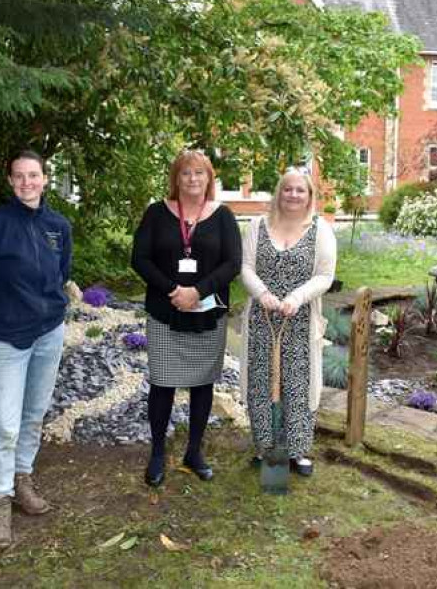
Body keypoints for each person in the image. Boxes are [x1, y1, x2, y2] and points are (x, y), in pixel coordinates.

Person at [0, 150, 72, 549]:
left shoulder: (58, 226)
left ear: (44, 179)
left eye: (34, 175)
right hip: (8, 339)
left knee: (33, 414)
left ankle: (22, 478)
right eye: (19, 176)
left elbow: (62, 274)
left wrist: (53, 312)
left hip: (48, 334)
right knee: (4, 423)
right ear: (10, 181)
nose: (27, 182)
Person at [130, 150, 241, 487]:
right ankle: (158, 452)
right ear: (175, 179)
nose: (193, 179)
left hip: (207, 314)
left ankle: (194, 451)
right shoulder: (156, 213)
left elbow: (233, 263)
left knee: (202, 383)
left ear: (209, 179)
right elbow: (140, 259)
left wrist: (198, 292)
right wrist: (173, 291)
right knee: (162, 383)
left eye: (199, 173)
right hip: (166, 312)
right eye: (185, 174)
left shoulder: (223, 216)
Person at [239, 169, 336, 477]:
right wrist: (262, 293)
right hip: (262, 320)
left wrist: (297, 297)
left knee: (297, 384)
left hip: (299, 321)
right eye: (287, 189)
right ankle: (266, 449)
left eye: (300, 190)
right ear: (279, 193)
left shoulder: (321, 230)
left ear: (309, 196)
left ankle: (296, 451)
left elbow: (324, 275)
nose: (293, 195)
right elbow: (245, 266)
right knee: (262, 383)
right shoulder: (258, 226)